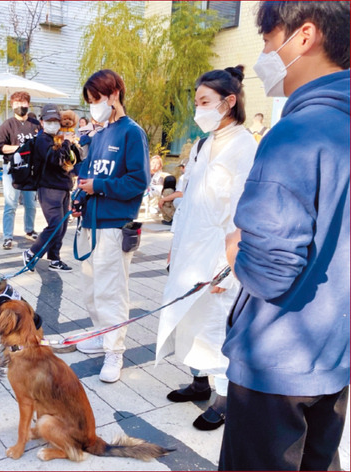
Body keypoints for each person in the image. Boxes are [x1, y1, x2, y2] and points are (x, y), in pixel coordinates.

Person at [220, 2, 350, 470]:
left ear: (304, 37)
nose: (264, 55)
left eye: (268, 41)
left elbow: (270, 271)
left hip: (275, 362)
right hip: (333, 357)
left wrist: (236, 249)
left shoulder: (296, 133)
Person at [155, 65, 257, 431]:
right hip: (190, 250)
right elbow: (190, 200)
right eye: (196, 101)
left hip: (218, 254)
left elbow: (241, 212)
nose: (198, 109)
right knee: (189, 319)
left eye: (205, 101)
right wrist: (174, 247)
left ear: (229, 102)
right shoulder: (203, 143)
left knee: (217, 327)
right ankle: (198, 381)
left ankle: (224, 399)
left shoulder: (245, 145)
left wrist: (228, 268)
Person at [73, 69, 149, 383]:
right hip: (90, 223)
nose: (94, 106)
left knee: (111, 292)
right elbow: (87, 177)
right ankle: (99, 334)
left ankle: (114, 350)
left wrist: (99, 186)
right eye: (90, 101)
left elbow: (138, 181)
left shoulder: (132, 132)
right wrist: (79, 196)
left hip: (115, 225)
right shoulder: (98, 134)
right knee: (91, 290)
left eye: (97, 99)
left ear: (114, 94)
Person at [22, 104, 77, 272]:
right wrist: (67, 142)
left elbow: (73, 160)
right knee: (55, 225)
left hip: (63, 187)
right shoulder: (41, 140)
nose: (53, 124)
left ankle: (54, 258)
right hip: (49, 188)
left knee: (62, 226)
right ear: (42, 121)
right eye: (49, 121)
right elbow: (55, 159)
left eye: (56, 121)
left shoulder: (58, 138)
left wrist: (72, 145)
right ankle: (31, 253)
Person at [0, 91, 40, 250]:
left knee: (31, 203)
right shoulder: (7, 125)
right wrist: (20, 148)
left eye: (24, 103)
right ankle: (7, 236)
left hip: (30, 170)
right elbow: (0, 147)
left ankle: (30, 229)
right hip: (12, 169)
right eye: (17, 104)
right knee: (10, 203)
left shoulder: (35, 124)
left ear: (29, 104)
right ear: (12, 105)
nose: (21, 106)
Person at [159, 159, 187, 224]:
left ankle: (172, 218)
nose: (181, 169)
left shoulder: (183, 177)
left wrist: (163, 199)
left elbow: (180, 194)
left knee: (170, 201)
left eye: (182, 167)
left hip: (183, 202)